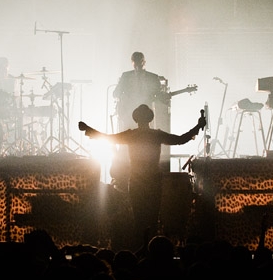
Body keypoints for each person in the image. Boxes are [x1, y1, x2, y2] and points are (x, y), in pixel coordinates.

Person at [78, 104, 205, 250]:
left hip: (137, 183)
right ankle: (152, 250)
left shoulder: (132, 134)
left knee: (139, 219)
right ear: (150, 118)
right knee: (152, 218)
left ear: (136, 118)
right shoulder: (156, 135)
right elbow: (181, 139)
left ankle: (141, 250)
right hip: (153, 181)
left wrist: (90, 130)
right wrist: (198, 126)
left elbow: (109, 138)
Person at [112, 52, 165, 130]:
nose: (137, 65)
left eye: (139, 62)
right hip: (128, 114)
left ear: (144, 62)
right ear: (132, 62)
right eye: (135, 62)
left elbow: (159, 95)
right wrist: (123, 99)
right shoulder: (126, 76)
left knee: (144, 138)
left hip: (145, 116)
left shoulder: (153, 78)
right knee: (129, 138)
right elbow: (115, 93)